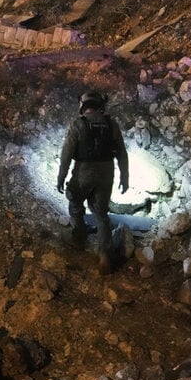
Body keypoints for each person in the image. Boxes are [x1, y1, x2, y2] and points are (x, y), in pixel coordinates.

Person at [56, 91, 130, 275]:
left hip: (83, 171)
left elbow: (67, 154)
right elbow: (121, 152)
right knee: (101, 213)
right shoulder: (111, 124)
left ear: (82, 106)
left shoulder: (77, 124)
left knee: (75, 203)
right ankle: (104, 253)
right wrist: (124, 176)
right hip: (106, 172)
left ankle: (78, 238)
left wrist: (61, 176)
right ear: (100, 106)